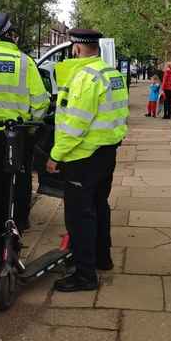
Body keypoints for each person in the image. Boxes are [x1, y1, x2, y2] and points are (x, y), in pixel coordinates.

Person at [46, 29, 129, 292]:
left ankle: (84, 275)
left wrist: (55, 155)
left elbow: (75, 125)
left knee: (80, 216)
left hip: (83, 157)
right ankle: (102, 259)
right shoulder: (112, 74)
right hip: (106, 152)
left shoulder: (84, 78)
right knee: (99, 207)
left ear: (77, 48)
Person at [0, 12, 50, 274]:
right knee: (11, 193)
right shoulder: (24, 62)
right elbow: (40, 102)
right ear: (8, 35)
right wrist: (30, 128)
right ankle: (9, 249)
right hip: (14, 136)